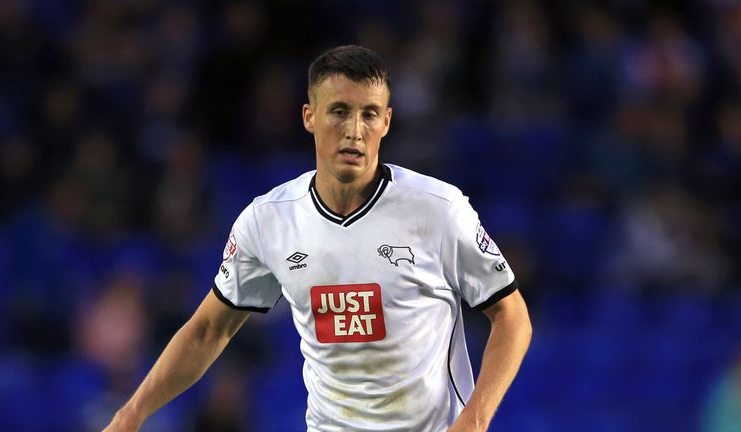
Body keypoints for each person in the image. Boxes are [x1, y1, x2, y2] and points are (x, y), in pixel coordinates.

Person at [104, 45, 532, 432]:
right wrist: (131, 415)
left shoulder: (438, 210)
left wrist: (474, 421)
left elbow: (512, 316)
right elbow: (207, 331)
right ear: (310, 116)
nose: (354, 130)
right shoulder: (268, 221)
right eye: (340, 111)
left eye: (369, 114)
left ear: (386, 121)